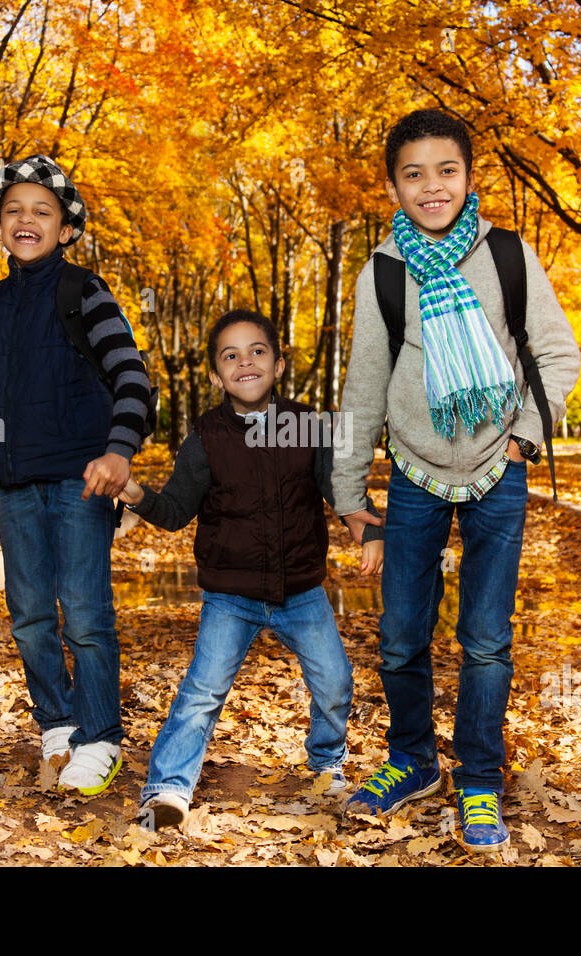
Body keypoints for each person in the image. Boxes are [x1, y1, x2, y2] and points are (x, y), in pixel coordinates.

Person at [332, 109, 580, 852]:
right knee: (401, 634)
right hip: (412, 473)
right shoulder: (381, 272)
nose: (431, 186)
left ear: (469, 177)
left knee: (485, 639)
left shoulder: (507, 254)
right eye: (414, 174)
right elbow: (363, 387)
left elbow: (558, 353)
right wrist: (348, 491)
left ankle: (478, 776)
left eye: (446, 170)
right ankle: (412, 761)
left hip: (497, 472)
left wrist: (524, 438)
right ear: (392, 186)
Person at [119, 310, 384, 830]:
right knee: (202, 692)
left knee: (335, 682)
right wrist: (134, 493)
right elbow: (175, 510)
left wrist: (367, 528)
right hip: (230, 594)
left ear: (279, 364)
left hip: (302, 591)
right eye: (230, 355)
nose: (246, 361)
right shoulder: (205, 439)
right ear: (217, 377)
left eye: (257, 350)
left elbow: (341, 491)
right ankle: (168, 789)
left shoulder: (308, 426)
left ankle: (326, 764)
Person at [0, 154, 151, 796]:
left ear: (65, 229)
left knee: (87, 617)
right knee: (30, 615)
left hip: (80, 482)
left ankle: (101, 738)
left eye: (43, 210)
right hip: (15, 486)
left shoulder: (83, 292)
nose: (26, 218)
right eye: (13, 209)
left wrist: (119, 450)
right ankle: (58, 723)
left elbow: (131, 376)